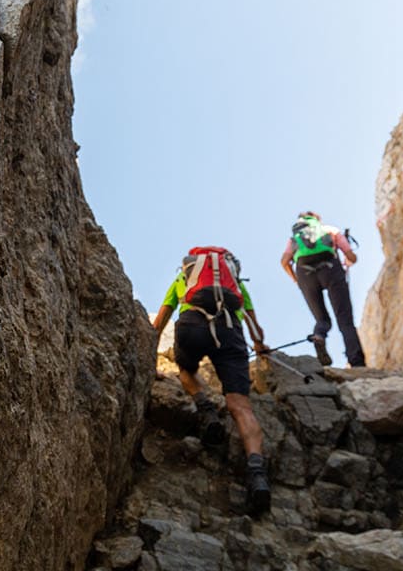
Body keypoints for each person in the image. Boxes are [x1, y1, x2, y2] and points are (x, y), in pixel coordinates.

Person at [150, 247, 272, 514]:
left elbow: (159, 321)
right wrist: (260, 346)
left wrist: (150, 360)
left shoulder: (184, 278)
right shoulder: (234, 284)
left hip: (192, 324)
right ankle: (257, 472)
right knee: (241, 406)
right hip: (230, 329)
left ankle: (206, 410)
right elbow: (254, 326)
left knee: (185, 369)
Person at [280, 211, 366, 367]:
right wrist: (347, 261)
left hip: (305, 274)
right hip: (331, 269)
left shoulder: (295, 238)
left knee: (321, 319)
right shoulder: (330, 230)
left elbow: (285, 261)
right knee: (345, 320)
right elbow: (352, 257)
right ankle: (357, 361)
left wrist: (296, 280)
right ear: (317, 219)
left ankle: (319, 336)